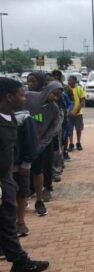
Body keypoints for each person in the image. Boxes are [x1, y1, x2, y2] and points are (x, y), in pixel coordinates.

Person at [0, 77, 50, 272]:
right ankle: (20, 261)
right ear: (9, 97)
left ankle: (20, 261)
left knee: (7, 222)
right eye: (22, 95)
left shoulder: (11, 118)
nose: (25, 98)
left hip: (6, 178)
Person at [25, 81, 63, 217]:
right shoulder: (29, 97)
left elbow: (52, 130)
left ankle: (39, 201)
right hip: (21, 144)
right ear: (48, 90)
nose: (55, 97)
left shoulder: (54, 109)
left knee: (38, 171)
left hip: (39, 146)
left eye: (58, 96)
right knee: (21, 174)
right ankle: (23, 198)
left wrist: (41, 145)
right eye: (54, 93)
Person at [13, 105, 39, 237]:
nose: (24, 99)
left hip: (19, 165)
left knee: (21, 193)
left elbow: (31, 142)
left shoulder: (25, 118)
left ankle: (21, 222)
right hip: (4, 166)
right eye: (22, 95)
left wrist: (26, 163)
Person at [67, 75, 85, 152]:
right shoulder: (67, 90)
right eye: (68, 80)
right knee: (70, 129)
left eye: (70, 80)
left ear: (75, 81)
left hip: (78, 114)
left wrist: (77, 111)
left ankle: (78, 143)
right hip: (69, 114)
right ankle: (71, 144)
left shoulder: (79, 89)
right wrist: (69, 112)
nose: (69, 82)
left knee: (78, 129)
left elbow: (82, 101)